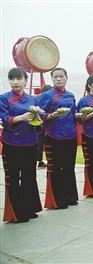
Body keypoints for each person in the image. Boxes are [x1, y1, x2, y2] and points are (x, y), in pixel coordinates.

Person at [0, 67, 42, 223]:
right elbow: (4, 119)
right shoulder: (4, 98)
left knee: (29, 176)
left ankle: (29, 208)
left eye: (19, 79)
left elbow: (38, 121)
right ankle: (17, 213)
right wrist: (21, 117)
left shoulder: (33, 99)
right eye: (12, 79)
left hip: (30, 142)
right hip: (12, 143)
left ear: (25, 80)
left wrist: (37, 119)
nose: (15, 82)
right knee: (13, 178)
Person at [39, 67, 79, 209]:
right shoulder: (47, 95)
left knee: (69, 167)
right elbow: (39, 114)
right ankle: (58, 200)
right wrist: (51, 116)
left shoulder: (71, 95)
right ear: (52, 79)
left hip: (70, 135)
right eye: (55, 77)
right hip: (54, 136)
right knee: (56, 169)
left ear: (66, 78)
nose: (59, 79)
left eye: (61, 76)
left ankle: (70, 196)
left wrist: (83, 115)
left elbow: (74, 114)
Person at [36, 84, 52, 170]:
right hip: (46, 123)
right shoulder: (48, 98)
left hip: (38, 123)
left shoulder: (36, 98)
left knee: (39, 142)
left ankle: (39, 161)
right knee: (47, 143)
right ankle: (49, 161)